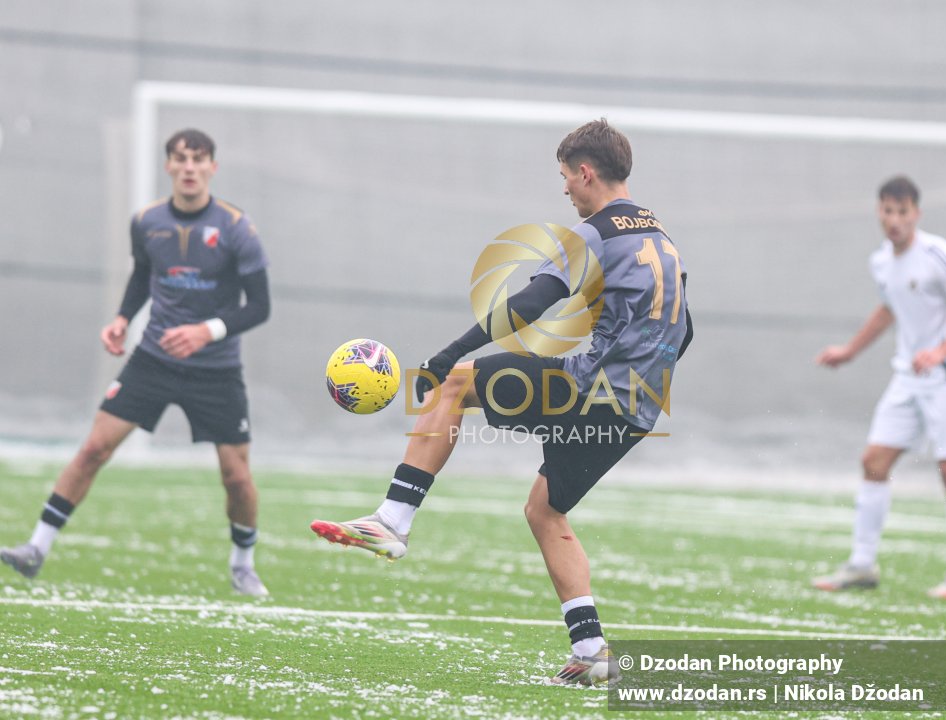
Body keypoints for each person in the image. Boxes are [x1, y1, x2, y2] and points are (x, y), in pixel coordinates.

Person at [311, 119, 692, 684]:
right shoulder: (661, 239)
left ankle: (393, 519)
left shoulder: (596, 235)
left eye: (566, 177)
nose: (565, 189)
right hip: (636, 408)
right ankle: (592, 654)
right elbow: (684, 333)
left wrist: (446, 354)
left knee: (456, 383)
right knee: (544, 510)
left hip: (592, 389)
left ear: (586, 173)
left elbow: (533, 302)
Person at [1, 129, 272, 597]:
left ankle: (243, 564)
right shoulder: (146, 222)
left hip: (217, 370)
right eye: (180, 158)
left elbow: (260, 306)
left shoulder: (236, 227)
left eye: (199, 159)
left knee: (237, 477)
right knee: (93, 450)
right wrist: (123, 318)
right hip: (154, 359)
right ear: (168, 165)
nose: (189, 167)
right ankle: (36, 548)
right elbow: (143, 275)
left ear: (213, 167)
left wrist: (206, 330)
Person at [813, 175, 946, 600]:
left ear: (916, 214)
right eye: (888, 212)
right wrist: (850, 350)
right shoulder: (881, 262)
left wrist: (939, 352)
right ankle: (861, 565)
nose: (894, 220)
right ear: (880, 213)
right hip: (906, 377)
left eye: (902, 212)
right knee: (874, 461)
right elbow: (889, 309)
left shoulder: (939, 256)